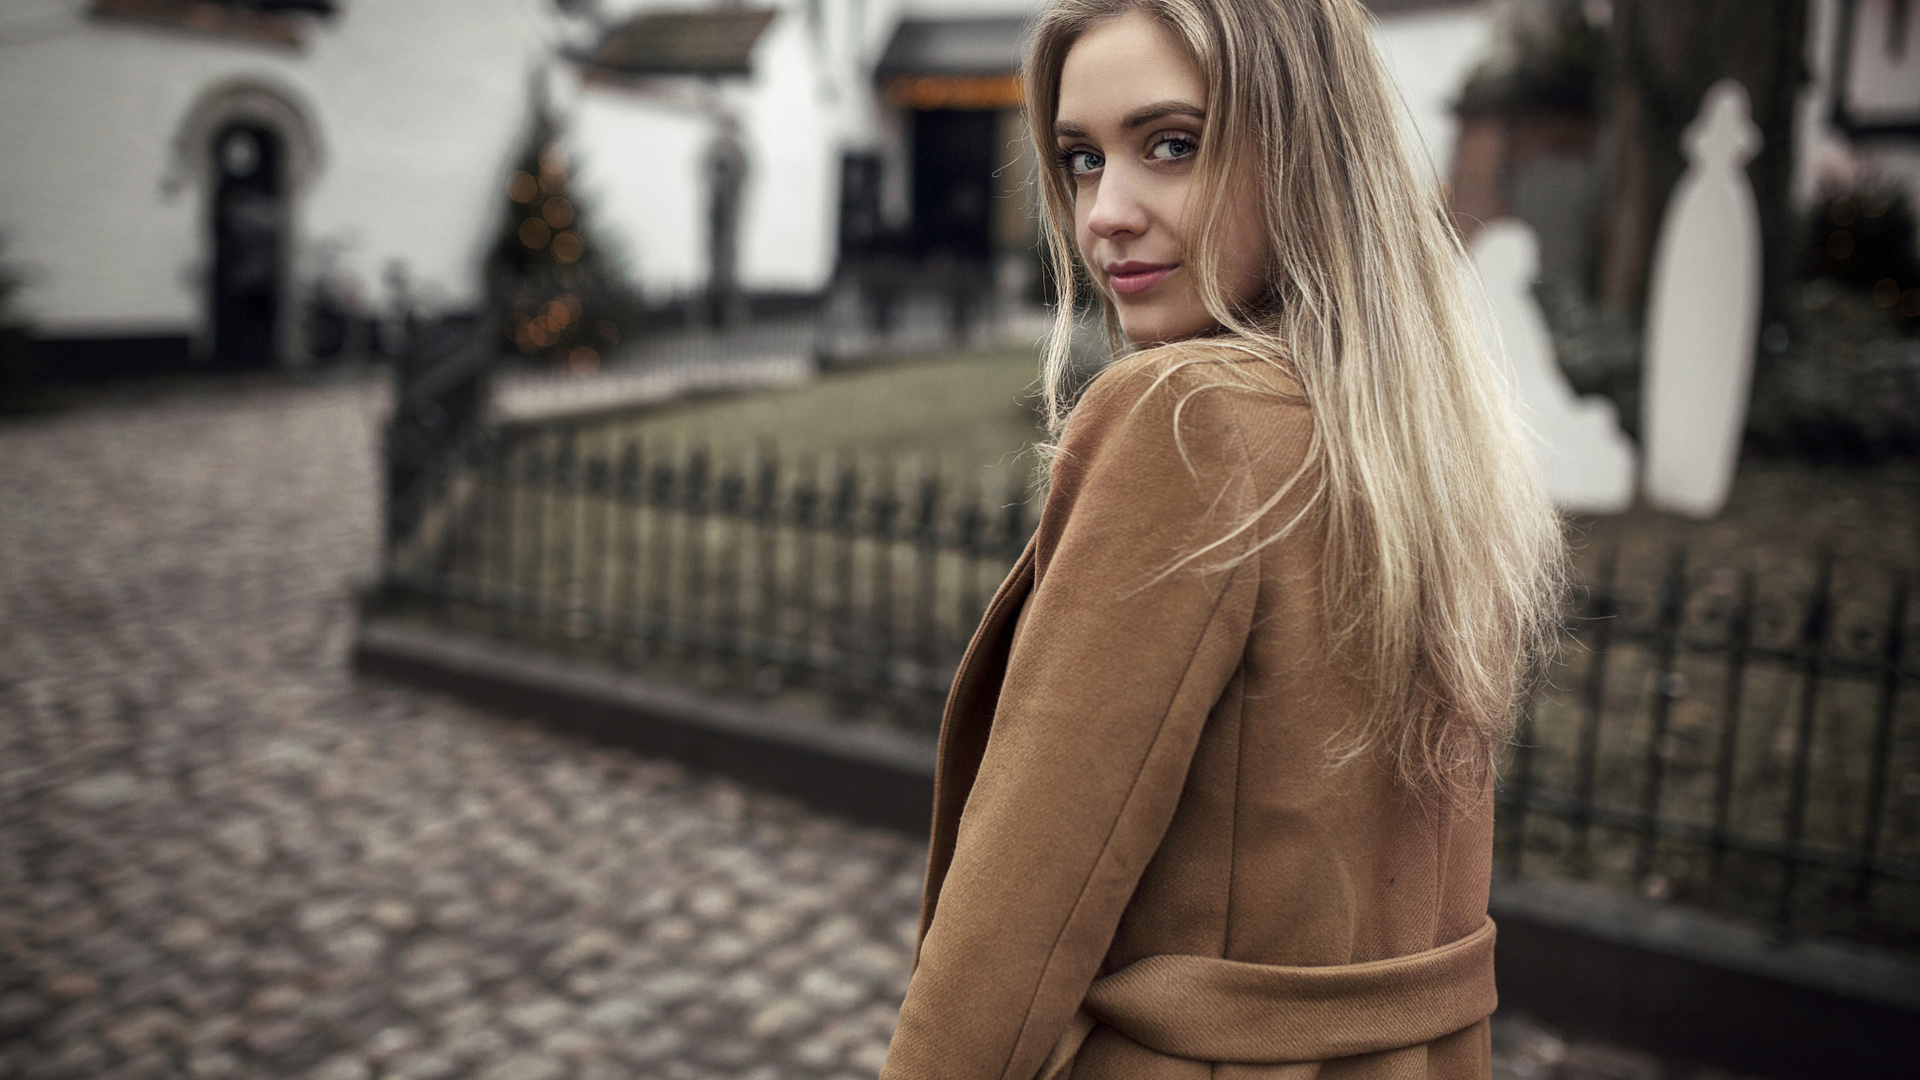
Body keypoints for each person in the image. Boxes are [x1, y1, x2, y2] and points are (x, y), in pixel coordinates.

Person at [879, 0, 1565, 1077]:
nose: (1106, 211)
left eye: (1171, 145)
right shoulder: (1424, 442)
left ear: (1307, 148)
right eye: (1080, 159)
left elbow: (1019, 911)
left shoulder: (1187, 423)